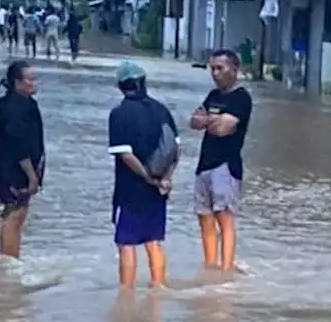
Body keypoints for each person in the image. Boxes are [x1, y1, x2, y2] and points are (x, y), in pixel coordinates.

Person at [108, 60, 177, 288]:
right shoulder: (162, 110)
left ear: (121, 86)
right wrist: (164, 179)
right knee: (154, 242)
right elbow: (174, 150)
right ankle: (158, 288)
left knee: (126, 244)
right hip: (158, 190)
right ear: (143, 82)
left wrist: (147, 177)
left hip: (130, 190)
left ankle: (126, 294)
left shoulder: (119, 114)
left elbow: (126, 156)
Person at [190, 48, 252, 272]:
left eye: (220, 68)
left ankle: (226, 269)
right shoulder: (213, 96)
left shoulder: (241, 98)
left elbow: (223, 129)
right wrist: (211, 120)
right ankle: (210, 266)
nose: (215, 73)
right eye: (212, 68)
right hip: (204, 164)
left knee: (224, 217)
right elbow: (194, 121)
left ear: (234, 69)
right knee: (204, 218)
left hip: (226, 166)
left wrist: (208, 120)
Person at [0, 61, 45, 259]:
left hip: (17, 170)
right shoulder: (13, 108)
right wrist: (32, 176)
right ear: (17, 82)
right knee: (13, 216)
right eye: (29, 79)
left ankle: (11, 257)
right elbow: (18, 144)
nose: (33, 83)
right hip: (12, 171)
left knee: (17, 216)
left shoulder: (25, 104)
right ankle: (7, 260)